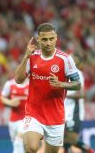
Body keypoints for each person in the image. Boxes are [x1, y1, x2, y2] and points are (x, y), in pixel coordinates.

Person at [15, 23, 81, 153]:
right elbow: (18, 79)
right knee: (31, 147)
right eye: (44, 39)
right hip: (34, 113)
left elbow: (78, 84)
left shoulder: (65, 59)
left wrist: (61, 84)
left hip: (55, 116)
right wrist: (26, 56)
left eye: (51, 39)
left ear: (56, 38)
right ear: (38, 39)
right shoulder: (32, 56)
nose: (48, 42)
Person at [63, 56, 94, 153]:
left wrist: (65, 95)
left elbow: (82, 94)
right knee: (63, 138)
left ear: (77, 63)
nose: (69, 59)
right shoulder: (64, 73)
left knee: (71, 139)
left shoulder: (77, 74)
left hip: (73, 111)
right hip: (64, 111)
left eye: (73, 59)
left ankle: (90, 150)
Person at [0, 78, 29, 153]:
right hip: (13, 119)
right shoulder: (10, 84)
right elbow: (2, 97)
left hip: (27, 118)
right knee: (16, 142)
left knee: (19, 140)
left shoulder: (32, 84)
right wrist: (10, 102)